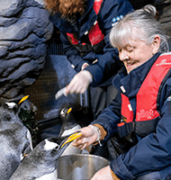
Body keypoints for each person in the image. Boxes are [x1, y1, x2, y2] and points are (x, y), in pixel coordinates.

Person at [72, 5, 171, 180]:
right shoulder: (132, 77)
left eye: (129, 49)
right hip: (142, 158)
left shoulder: (167, 79)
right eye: (119, 50)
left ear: (155, 43)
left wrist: (115, 171)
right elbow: (117, 110)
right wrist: (97, 129)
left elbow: (166, 142)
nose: (122, 57)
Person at [45, 0, 134, 119]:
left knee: (120, 116)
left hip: (121, 70)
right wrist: (82, 66)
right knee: (100, 116)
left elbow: (118, 47)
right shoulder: (63, 15)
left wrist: (89, 74)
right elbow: (68, 48)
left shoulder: (110, 4)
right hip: (96, 75)